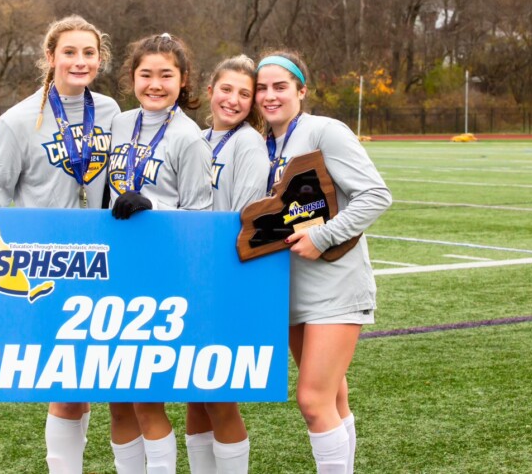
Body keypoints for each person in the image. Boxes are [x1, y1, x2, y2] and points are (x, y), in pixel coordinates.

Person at [0, 14, 120, 474]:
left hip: (111, 260)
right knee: (67, 386)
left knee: (101, 383)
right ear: (50, 57)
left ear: (99, 59)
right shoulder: (17, 120)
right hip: (53, 264)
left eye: (89, 53)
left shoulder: (111, 112)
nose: (80, 61)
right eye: (70, 52)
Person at [255, 50, 391, 474]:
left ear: (301, 90)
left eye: (280, 87)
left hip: (334, 285)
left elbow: (376, 195)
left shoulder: (324, 130)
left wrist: (323, 235)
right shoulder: (260, 143)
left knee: (313, 401)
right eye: (262, 88)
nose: (270, 96)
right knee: (333, 398)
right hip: (288, 287)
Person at [107, 33, 213, 474]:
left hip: (161, 273)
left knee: (145, 394)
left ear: (183, 79)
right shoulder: (118, 123)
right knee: (116, 395)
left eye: (166, 75)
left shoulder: (188, 137)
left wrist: (155, 208)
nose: (155, 84)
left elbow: (201, 215)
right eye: (146, 74)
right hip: (115, 268)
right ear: (132, 78)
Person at [184, 55, 269, 474]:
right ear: (211, 88)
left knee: (218, 394)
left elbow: (245, 219)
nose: (232, 100)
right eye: (226, 89)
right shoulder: (197, 137)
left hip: (223, 279)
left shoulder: (249, 143)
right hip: (193, 277)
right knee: (194, 394)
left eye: (244, 94)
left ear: (252, 103)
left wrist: (217, 280)